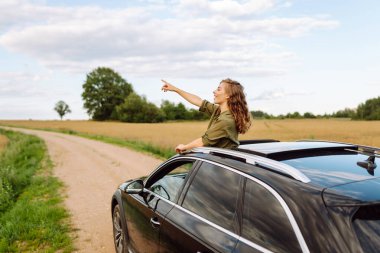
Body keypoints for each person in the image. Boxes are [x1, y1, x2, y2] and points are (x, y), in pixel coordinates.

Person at [161, 78, 252, 153]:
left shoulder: (225, 120)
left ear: (228, 95)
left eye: (218, 89)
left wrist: (184, 147)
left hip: (222, 164)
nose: (214, 91)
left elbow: (203, 142)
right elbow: (198, 101)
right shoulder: (218, 110)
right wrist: (175, 89)